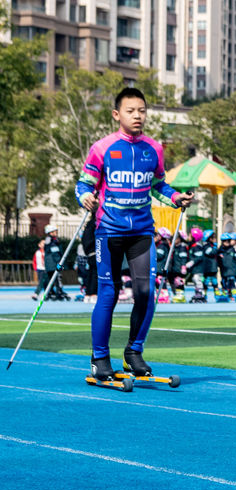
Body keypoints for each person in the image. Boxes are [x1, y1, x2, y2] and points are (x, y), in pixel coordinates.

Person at [75, 86, 193, 381]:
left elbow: (158, 186)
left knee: (146, 292)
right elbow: (83, 184)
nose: (137, 116)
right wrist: (85, 196)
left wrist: (176, 197)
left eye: (142, 110)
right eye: (131, 111)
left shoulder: (154, 148)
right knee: (108, 293)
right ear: (117, 114)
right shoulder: (102, 148)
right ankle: (99, 357)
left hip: (142, 231)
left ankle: (133, 352)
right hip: (108, 231)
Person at [217, 233, 236, 301]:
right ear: (222, 242)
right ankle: (225, 294)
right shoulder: (220, 250)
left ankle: (235, 294)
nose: (227, 242)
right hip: (224, 270)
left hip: (232, 269)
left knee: (232, 282)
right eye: (225, 241)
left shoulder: (232, 249)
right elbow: (217, 260)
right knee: (224, 282)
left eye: (228, 241)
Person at [168, 229, 190, 303]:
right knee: (174, 282)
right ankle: (177, 294)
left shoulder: (182, 247)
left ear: (179, 239)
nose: (174, 240)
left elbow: (183, 258)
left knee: (179, 281)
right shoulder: (174, 247)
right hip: (174, 268)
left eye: (176, 239)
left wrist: (183, 266)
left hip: (179, 268)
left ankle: (181, 295)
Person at [187, 227, 208, 303]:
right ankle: (197, 293)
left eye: (190, 235)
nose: (188, 237)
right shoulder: (193, 246)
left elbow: (199, 257)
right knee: (195, 280)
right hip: (195, 269)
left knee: (197, 279)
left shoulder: (197, 246)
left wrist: (191, 262)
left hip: (198, 268)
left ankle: (201, 294)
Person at [201, 230, 221, 301]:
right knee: (205, 282)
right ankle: (204, 294)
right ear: (210, 239)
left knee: (215, 282)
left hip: (213, 268)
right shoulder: (206, 246)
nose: (215, 239)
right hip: (207, 268)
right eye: (214, 237)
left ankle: (217, 294)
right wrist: (216, 248)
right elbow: (212, 252)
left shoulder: (211, 246)